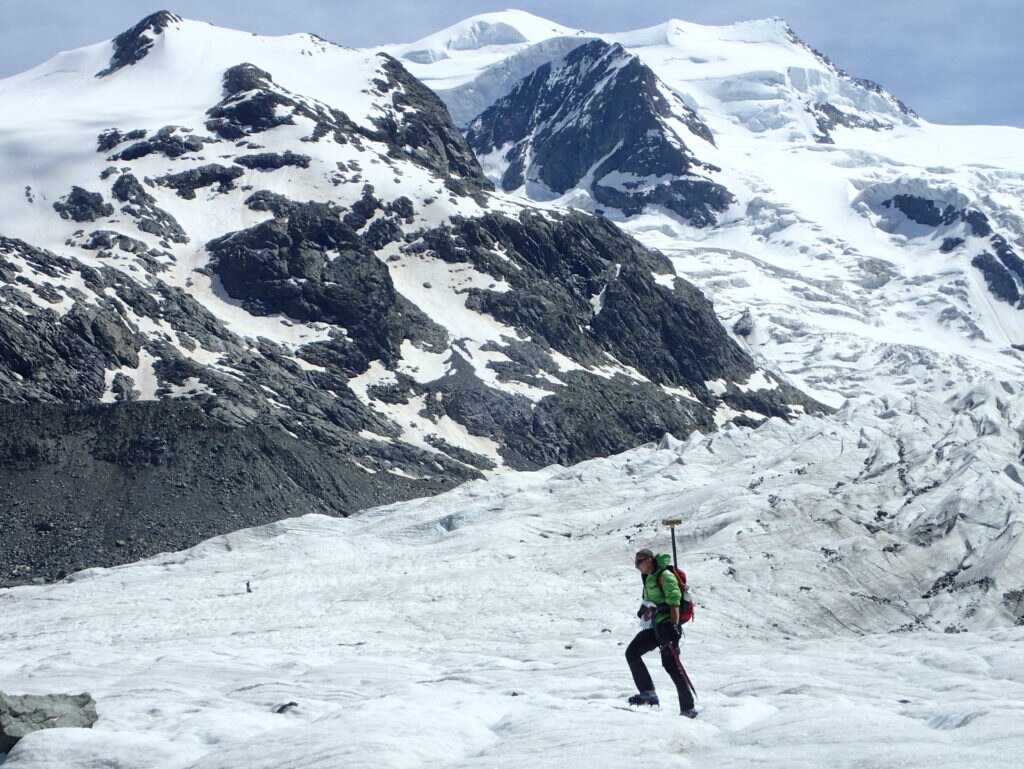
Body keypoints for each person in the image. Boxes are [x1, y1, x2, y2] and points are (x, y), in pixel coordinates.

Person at [625, 548, 697, 717]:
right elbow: (653, 601)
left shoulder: (664, 575)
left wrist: (674, 626)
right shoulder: (649, 577)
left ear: (649, 560)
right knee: (632, 653)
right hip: (654, 626)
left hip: (667, 627)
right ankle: (648, 692)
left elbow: (674, 601)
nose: (637, 566)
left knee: (671, 666)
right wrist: (644, 609)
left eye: (639, 562)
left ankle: (688, 709)